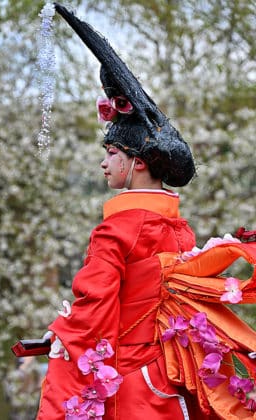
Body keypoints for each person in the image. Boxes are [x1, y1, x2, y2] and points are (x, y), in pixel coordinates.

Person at [32, 4, 256, 419]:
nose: (104, 163)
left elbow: (94, 305)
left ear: (137, 161)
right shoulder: (178, 230)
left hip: (130, 384)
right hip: (167, 376)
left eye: (112, 152)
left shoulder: (116, 230)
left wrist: (63, 334)